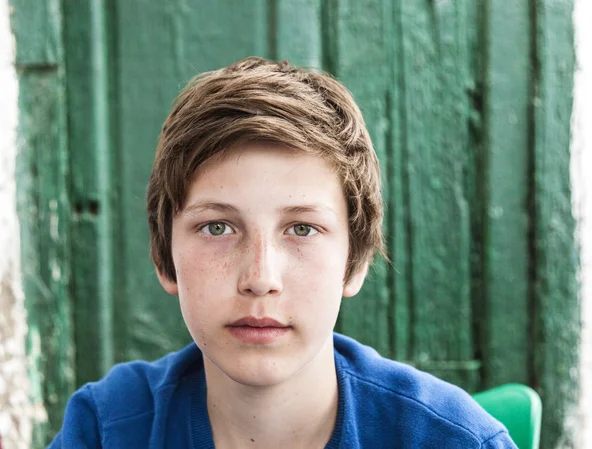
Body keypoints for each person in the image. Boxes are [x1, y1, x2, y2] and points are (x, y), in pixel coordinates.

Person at [49, 57, 516, 448]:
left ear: (353, 264)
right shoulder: (107, 428)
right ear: (163, 255)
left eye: (302, 229)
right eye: (217, 227)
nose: (260, 276)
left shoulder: (455, 440)